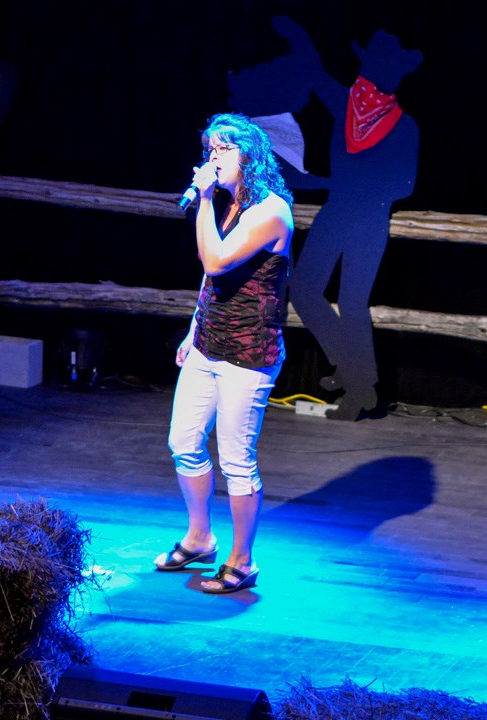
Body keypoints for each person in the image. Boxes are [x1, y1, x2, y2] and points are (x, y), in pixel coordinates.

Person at [155, 112, 294, 594]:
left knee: (237, 461)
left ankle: (243, 560)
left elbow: (214, 259)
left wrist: (203, 200)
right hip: (208, 343)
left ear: (249, 156)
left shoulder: (270, 211)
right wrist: (193, 328)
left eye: (224, 149)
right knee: (183, 441)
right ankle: (199, 538)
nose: (213, 158)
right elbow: (210, 278)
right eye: (210, 149)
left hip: (249, 353)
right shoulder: (229, 205)